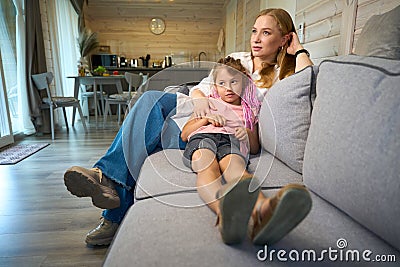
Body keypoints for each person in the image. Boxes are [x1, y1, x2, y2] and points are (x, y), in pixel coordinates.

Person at [64, 8, 314, 246]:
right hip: (195, 113)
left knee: (148, 129)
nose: (256, 39)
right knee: (149, 99)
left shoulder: (284, 74)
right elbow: (203, 86)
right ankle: (103, 177)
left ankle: (110, 206)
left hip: (219, 132)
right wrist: (200, 100)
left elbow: (306, 81)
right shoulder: (238, 58)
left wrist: (300, 50)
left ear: (284, 39)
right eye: (254, 31)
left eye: (266, 33)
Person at [181, 56, 263, 244]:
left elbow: (256, 146)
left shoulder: (249, 109)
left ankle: (264, 209)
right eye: (222, 83)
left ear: (243, 83)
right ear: (215, 86)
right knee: (207, 166)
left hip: (231, 141)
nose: (228, 88)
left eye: (234, 82)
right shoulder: (207, 103)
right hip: (204, 138)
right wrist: (207, 119)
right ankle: (225, 215)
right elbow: (185, 134)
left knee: (237, 170)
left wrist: (247, 133)